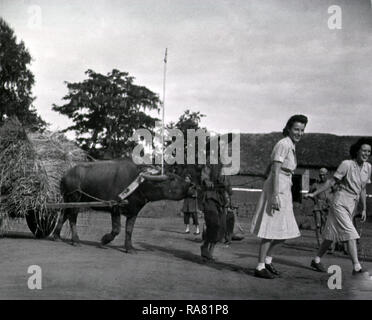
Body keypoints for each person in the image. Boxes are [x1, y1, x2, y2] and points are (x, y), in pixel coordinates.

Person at [250, 114, 308, 279]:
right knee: (271, 229)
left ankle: (268, 261)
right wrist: (274, 195)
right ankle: (260, 266)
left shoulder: (291, 145)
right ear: (288, 128)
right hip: (278, 188)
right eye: (296, 129)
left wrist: (266, 174)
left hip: (284, 186)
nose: (299, 133)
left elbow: (272, 167)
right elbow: (276, 170)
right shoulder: (283, 144)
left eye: (302, 130)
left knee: (285, 231)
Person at [306, 138, 371, 276]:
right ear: (357, 151)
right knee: (350, 232)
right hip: (339, 202)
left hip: (351, 205)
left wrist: (364, 208)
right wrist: (315, 193)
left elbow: (363, 189)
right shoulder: (346, 164)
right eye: (364, 150)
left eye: (369, 152)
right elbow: (331, 181)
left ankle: (316, 260)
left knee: (331, 235)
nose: (366, 154)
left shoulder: (368, 167)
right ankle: (356, 267)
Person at [200, 159, 232, 261]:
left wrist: (228, 194)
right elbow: (204, 176)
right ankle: (205, 246)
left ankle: (210, 252)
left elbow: (228, 186)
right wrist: (207, 181)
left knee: (221, 227)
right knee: (213, 223)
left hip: (222, 199)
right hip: (210, 196)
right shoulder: (210, 163)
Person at [309, 168, 334, 247]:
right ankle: (320, 244)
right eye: (320, 175)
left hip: (328, 207)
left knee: (328, 225)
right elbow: (310, 194)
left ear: (327, 175)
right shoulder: (315, 185)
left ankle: (330, 245)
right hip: (318, 207)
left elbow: (336, 192)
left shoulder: (330, 183)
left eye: (324, 175)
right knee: (318, 225)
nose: (322, 177)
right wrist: (315, 199)